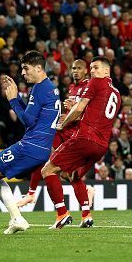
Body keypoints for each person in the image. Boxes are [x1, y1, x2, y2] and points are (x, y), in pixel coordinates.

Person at [0, 51, 60, 236]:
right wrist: (17, 99)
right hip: (41, 148)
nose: (23, 73)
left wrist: (13, 100)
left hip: (31, 146)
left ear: (39, 68)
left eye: (26, 68)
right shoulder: (51, 88)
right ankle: (17, 219)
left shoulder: (40, 88)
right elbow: (34, 118)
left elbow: (27, 120)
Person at [41, 57, 120, 229]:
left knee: (48, 170)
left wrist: (64, 123)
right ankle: (86, 215)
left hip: (85, 138)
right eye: (91, 68)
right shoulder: (117, 94)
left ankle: (62, 213)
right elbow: (99, 115)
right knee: (73, 175)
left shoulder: (95, 83)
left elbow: (79, 108)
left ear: (106, 71)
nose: (92, 71)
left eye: (96, 67)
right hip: (101, 146)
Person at [17, 59, 96, 226]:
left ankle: (37, 197)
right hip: (64, 130)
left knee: (49, 162)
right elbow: (73, 111)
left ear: (86, 71)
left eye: (79, 68)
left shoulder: (90, 86)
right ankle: (86, 214)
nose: (75, 71)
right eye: (73, 68)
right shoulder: (72, 88)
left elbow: (92, 113)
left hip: (76, 135)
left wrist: (75, 109)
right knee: (67, 173)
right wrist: (65, 113)